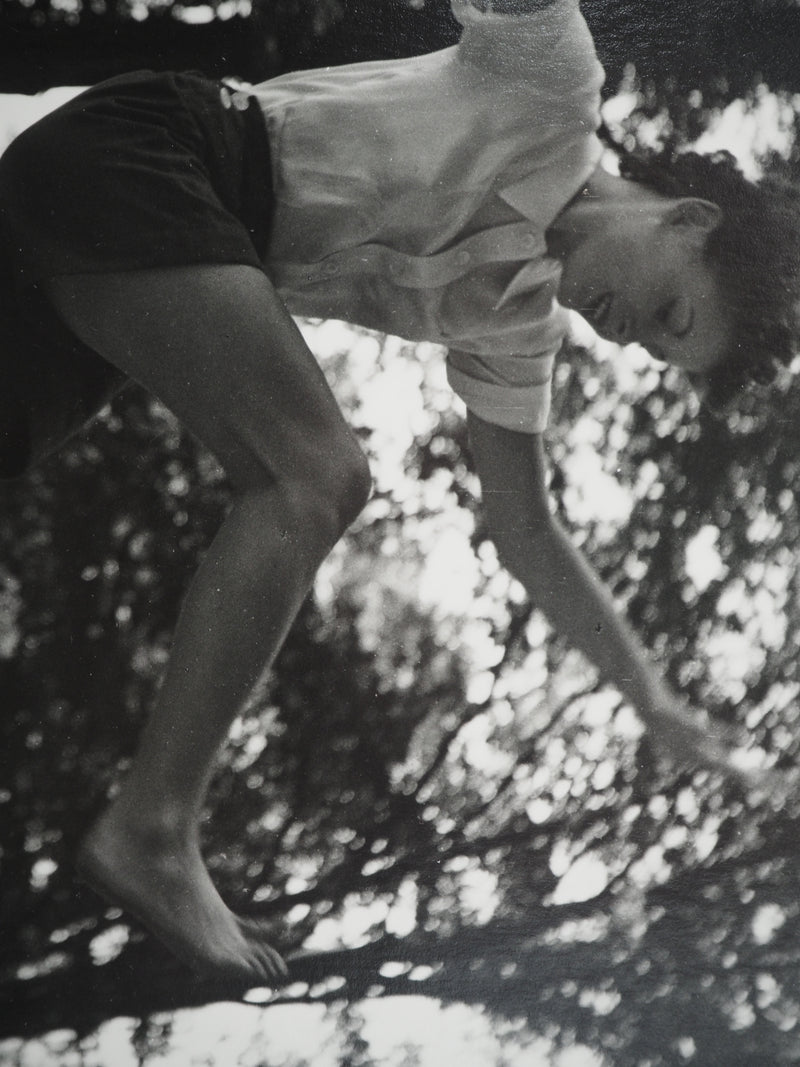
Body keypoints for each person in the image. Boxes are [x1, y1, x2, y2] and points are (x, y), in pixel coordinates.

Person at [0, 0, 797, 985]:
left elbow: (524, 528)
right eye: (666, 311)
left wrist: (649, 698)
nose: (623, 332)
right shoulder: (549, 85)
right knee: (315, 474)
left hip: (121, 266)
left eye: (648, 346)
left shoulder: (512, 329)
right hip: (157, 158)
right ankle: (154, 826)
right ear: (688, 217)